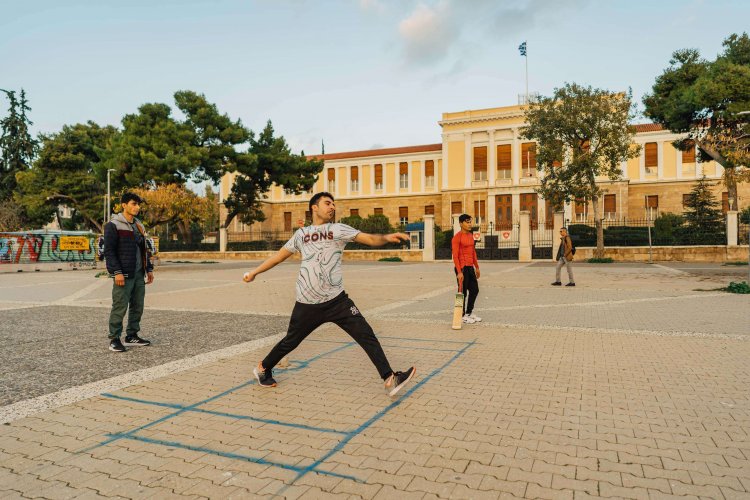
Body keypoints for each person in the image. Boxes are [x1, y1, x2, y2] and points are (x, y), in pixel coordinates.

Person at [243, 192, 416, 397]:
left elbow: (368, 238)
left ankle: (389, 377)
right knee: (291, 341)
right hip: (307, 302)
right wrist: (254, 272)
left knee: (366, 334)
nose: (332, 207)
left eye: (334, 204)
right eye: (327, 203)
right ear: (314, 207)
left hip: (337, 301)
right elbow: (278, 257)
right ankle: (263, 369)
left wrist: (386, 237)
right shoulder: (301, 234)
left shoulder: (338, 229)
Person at [104, 192, 154, 352]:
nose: (137, 207)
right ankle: (114, 338)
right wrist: (116, 272)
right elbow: (109, 251)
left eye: (138, 204)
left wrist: (149, 269)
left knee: (137, 305)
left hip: (139, 273)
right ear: (124, 205)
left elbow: (144, 249)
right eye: (134, 204)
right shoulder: (113, 225)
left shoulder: (139, 225)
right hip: (123, 273)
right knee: (120, 306)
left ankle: (132, 335)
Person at [451, 214, 481, 324]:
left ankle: (468, 313)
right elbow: (455, 256)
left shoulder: (470, 236)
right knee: (462, 292)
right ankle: (461, 315)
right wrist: (459, 272)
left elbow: (473, 253)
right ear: (461, 223)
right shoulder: (456, 238)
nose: (470, 224)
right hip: (462, 268)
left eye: (470, 222)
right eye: (467, 222)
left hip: (470, 267)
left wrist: (477, 267)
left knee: (475, 290)